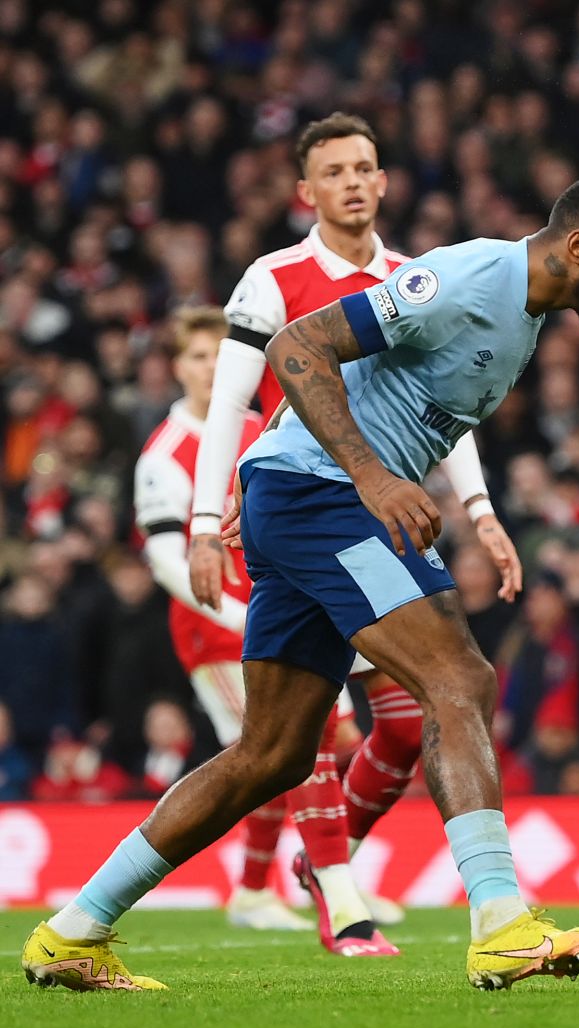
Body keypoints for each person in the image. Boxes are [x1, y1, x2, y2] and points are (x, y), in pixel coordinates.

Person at [22, 172, 579, 992]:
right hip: (324, 497)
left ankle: (74, 931)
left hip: (309, 497)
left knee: (271, 754)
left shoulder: (526, 314)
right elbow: (297, 345)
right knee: (458, 677)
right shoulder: (469, 279)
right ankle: (502, 923)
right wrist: (366, 477)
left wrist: (376, 489)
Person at [185, 114, 521, 944]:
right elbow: (228, 402)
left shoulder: (421, 276)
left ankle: (330, 857)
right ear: (308, 191)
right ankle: (343, 898)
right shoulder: (274, 277)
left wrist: (481, 512)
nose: (354, 183)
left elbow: (456, 414)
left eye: (365, 167)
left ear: (384, 179)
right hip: (301, 510)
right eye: (334, 171)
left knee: (408, 721)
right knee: (317, 718)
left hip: (384, 519)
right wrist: (202, 516)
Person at [133, 304, 388, 946]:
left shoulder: (262, 426)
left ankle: (256, 888)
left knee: (293, 749)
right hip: (220, 630)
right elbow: (167, 560)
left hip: (292, 608)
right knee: (291, 742)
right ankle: (336, 890)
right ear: (176, 367)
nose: (211, 367)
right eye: (196, 356)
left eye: (220, 354)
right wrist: (238, 614)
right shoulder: (163, 454)